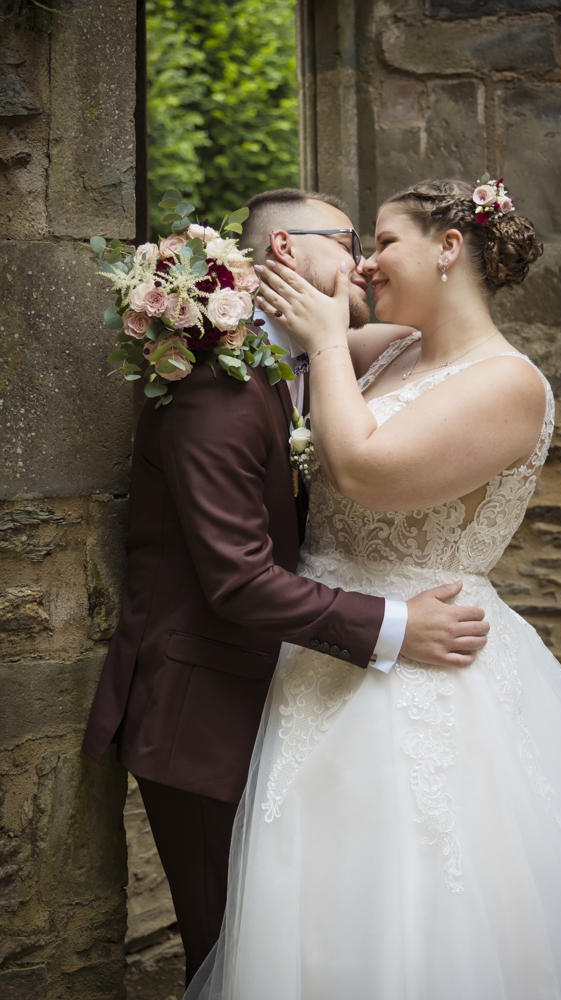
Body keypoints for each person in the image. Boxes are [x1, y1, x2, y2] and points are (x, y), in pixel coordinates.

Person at [186, 178, 561, 999]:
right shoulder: (397, 349)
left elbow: (361, 469)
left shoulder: (506, 383)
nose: (367, 263)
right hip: (322, 650)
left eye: (384, 240)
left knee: (424, 895)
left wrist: (332, 343)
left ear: (448, 248)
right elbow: (285, 354)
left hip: (423, 657)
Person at [81, 188, 490, 985]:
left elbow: (424, 343)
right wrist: (399, 624)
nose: (362, 260)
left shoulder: (291, 363)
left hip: (263, 697)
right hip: (198, 713)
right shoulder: (217, 389)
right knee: (231, 958)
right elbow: (239, 582)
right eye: (345, 239)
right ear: (283, 253)